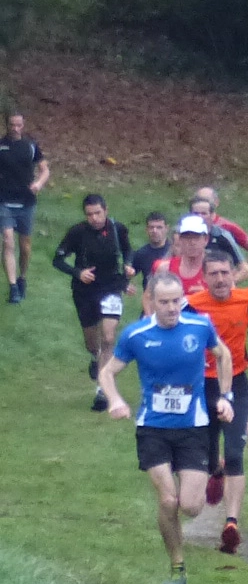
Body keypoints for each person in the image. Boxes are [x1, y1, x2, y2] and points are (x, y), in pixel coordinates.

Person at [97, 273, 230, 584]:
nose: (171, 308)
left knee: (191, 506)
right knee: (169, 500)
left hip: (193, 428)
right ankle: (178, 568)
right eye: (164, 302)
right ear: (151, 302)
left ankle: (216, 469)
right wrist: (115, 400)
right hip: (153, 428)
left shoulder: (199, 327)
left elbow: (222, 354)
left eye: (176, 301)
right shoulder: (136, 335)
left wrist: (226, 397)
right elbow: (107, 373)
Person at [186, 252, 248, 552]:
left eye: (225, 272)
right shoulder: (192, 305)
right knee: (205, 453)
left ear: (234, 273)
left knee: (235, 451)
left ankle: (232, 522)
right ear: (204, 278)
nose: (220, 279)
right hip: (202, 384)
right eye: (214, 274)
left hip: (237, 382)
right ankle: (214, 469)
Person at [53, 193, 130, 409]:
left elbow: (127, 251)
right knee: (92, 343)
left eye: (98, 213)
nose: (94, 218)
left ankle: (102, 391)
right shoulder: (77, 232)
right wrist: (78, 273)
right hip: (85, 291)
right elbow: (57, 260)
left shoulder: (118, 229)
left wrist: (128, 267)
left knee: (108, 337)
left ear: (106, 210)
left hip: (111, 288)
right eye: (89, 214)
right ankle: (96, 359)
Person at [0, 110, 48, 303]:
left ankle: (22, 278)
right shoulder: (1, 146)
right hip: (4, 201)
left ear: (23, 124)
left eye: (19, 125)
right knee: (7, 241)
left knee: (25, 246)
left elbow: (44, 169)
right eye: (12, 124)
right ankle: (12, 288)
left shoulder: (31, 146)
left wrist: (38, 184)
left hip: (26, 202)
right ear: (7, 125)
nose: (15, 128)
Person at [190, 188, 248, 271]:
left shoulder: (227, 227)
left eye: (206, 200)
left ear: (216, 202)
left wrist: (235, 275)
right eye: (198, 200)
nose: (202, 204)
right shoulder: (185, 229)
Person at [160, 215, 213, 300]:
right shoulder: (165, 268)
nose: (192, 242)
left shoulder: (217, 270)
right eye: (187, 237)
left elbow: (229, 301)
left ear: (206, 239)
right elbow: (150, 299)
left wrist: (206, 296)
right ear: (180, 240)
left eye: (196, 237)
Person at [127, 211, 173, 293]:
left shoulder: (175, 251)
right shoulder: (142, 253)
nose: (154, 231)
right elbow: (127, 273)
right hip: (150, 298)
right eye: (151, 227)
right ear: (146, 229)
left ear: (166, 228)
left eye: (159, 227)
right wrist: (125, 284)